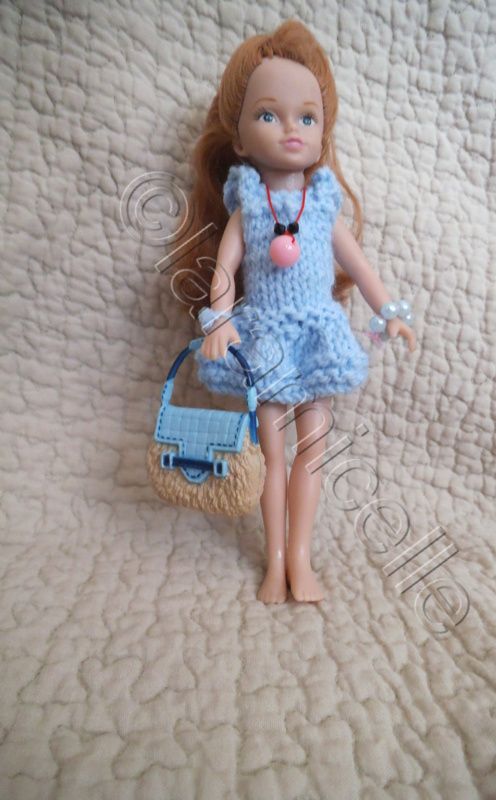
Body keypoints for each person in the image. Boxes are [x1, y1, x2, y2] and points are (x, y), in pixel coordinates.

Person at [171, 20, 417, 604]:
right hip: (265, 341)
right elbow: (225, 271)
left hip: (317, 335)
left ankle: (300, 557)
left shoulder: (322, 203)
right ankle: (275, 558)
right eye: (268, 114)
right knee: (271, 452)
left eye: (307, 117)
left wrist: (389, 311)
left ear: (323, 130)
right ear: (238, 137)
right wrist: (218, 320)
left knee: (313, 449)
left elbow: (358, 265)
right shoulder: (249, 206)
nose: (290, 129)